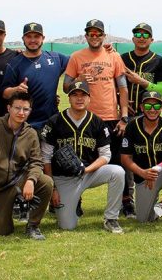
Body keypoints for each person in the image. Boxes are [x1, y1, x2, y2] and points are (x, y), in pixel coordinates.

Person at [63, 19, 134, 217]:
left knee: (119, 160)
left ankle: (125, 202)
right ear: (86, 36)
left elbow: (122, 87)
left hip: (111, 117)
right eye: (91, 34)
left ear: (104, 36)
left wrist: (124, 116)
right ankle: (75, 199)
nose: (94, 37)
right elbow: (66, 86)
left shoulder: (114, 56)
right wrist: (79, 80)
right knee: (80, 159)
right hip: (84, 118)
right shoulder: (77, 57)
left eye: (98, 34)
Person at [40, 81, 125, 233]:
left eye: (83, 95)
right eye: (74, 95)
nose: (79, 99)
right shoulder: (54, 122)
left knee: (117, 172)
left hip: (89, 174)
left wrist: (86, 170)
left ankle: (111, 218)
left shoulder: (97, 122)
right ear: (69, 98)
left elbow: (105, 155)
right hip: (63, 179)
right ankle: (70, 205)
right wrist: (53, 188)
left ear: (89, 98)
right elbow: (45, 157)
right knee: (67, 226)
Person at [0, 91, 54, 239]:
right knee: (2, 231)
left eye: (26, 109)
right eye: (17, 108)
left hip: (20, 179)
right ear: (8, 108)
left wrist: (31, 180)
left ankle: (33, 225)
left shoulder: (31, 134)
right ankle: (9, 208)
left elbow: (36, 161)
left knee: (46, 183)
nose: (21, 113)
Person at [121, 91, 162, 237]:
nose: (152, 109)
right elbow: (125, 158)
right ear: (141, 107)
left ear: (161, 107)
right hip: (144, 177)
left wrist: (156, 169)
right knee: (144, 219)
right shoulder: (133, 126)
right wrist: (142, 173)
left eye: (157, 105)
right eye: (148, 105)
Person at [2, 22, 69, 130]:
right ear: (23, 38)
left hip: (52, 121)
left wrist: (102, 50)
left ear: (43, 38)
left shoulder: (55, 58)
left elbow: (77, 59)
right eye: (29, 36)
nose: (32, 40)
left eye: (36, 36)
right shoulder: (15, 63)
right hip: (26, 124)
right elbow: (5, 93)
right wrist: (16, 89)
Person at [121, 22, 162, 116]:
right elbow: (113, 87)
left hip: (150, 114)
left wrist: (140, 81)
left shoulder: (158, 60)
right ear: (133, 39)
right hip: (126, 114)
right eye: (138, 34)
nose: (141, 38)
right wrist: (121, 103)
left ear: (151, 40)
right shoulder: (123, 59)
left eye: (145, 35)